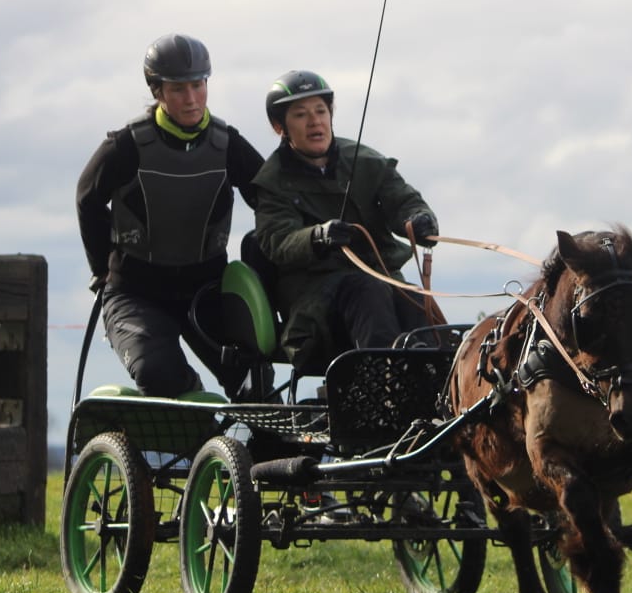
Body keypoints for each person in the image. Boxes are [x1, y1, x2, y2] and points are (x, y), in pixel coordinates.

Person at [76, 33, 264, 396]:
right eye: (178, 89)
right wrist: (101, 269)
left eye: (198, 85)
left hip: (205, 288)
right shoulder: (126, 145)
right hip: (135, 293)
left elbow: (270, 198)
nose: (191, 98)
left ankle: (261, 449)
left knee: (255, 382)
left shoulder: (227, 144)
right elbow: (87, 198)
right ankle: (199, 420)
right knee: (158, 373)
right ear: (157, 91)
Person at [252, 69, 440, 374]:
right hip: (314, 308)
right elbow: (277, 241)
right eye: (300, 114)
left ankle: (436, 385)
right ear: (279, 127)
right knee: (366, 288)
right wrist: (317, 236)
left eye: (320, 111)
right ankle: (383, 381)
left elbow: (404, 201)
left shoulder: (366, 161)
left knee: (415, 299)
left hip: (381, 284)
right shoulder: (272, 181)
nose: (314, 121)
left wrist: (418, 220)